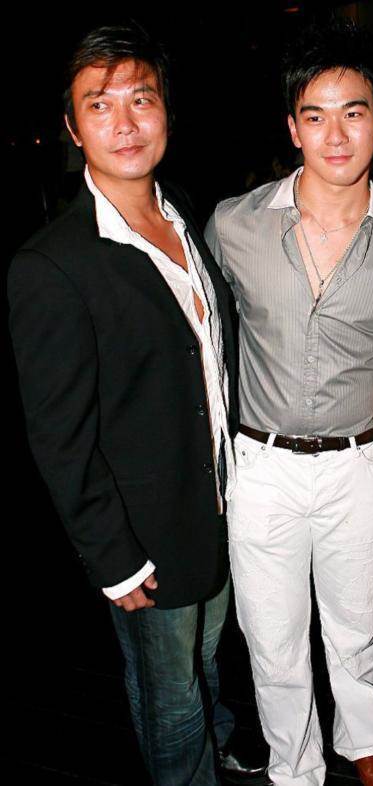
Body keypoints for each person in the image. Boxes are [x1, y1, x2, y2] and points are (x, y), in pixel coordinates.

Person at [204, 20, 373, 786]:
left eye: (353, 113)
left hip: (355, 464)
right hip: (260, 466)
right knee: (273, 643)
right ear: (293, 129)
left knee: (355, 630)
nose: (335, 135)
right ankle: (295, 770)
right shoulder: (233, 225)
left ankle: (368, 744)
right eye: (314, 116)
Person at [8, 24, 265, 786]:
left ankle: (216, 738)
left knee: (204, 661)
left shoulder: (180, 210)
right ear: (71, 127)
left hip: (217, 503)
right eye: (99, 105)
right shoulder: (52, 265)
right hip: (145, 534)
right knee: (170, 697)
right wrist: (113, 559)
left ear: (167, 113)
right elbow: (58, 435)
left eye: (140, 100)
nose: (123, 123)